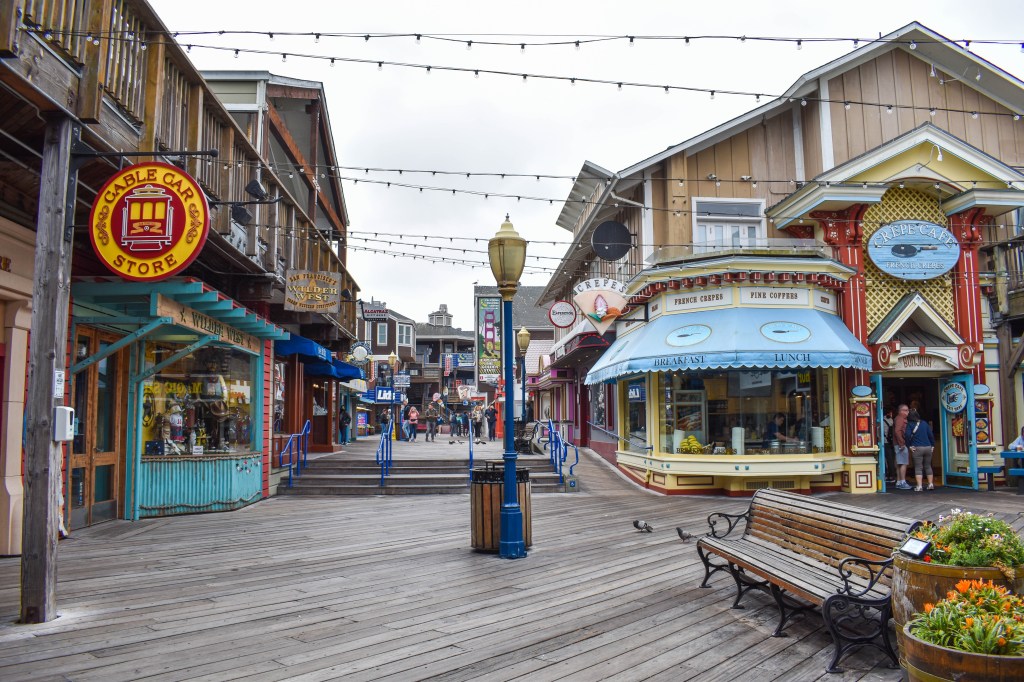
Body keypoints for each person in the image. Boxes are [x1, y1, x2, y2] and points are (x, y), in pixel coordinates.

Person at [906, 408, 936, 491]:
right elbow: (931, 435)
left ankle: (919, 486)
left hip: (917, 447)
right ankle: (930, 484)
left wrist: (909, 446)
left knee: (918, 467)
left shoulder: (910, 424)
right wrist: (932, 445)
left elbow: (907, 435)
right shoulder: (924, 423)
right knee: (928, 466)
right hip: (928, 447)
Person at [893, 404, 911, 490]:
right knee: (903, 463)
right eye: (906, 410)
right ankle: (903, 482)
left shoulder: (898, 418)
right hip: (901, 444)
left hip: (898, 444)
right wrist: (902, 443)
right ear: (901, 411)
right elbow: (897, 431)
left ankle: (899, 481)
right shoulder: (900, 419)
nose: (908, 412)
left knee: (899, 462)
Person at [882, 408, 896, 484]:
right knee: (890, 459)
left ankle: (885, 474)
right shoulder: (891, 420)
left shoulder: (880, 420)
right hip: (890, 442)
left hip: (883, 441)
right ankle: (892, 475)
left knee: (882, 459)